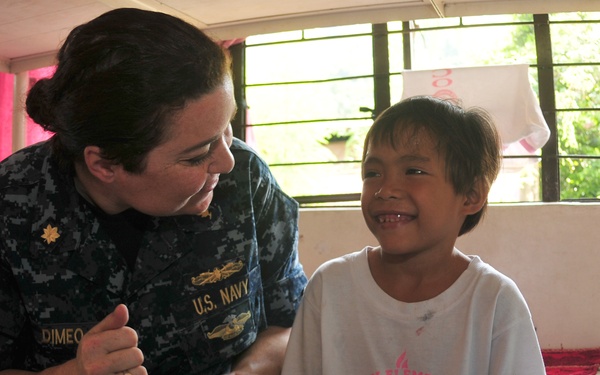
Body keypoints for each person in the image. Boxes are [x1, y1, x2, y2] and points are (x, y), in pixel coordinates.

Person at [0, 8, 307, 375]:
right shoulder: (12, 205)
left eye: (226, 129)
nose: (226, 162)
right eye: (197, 155)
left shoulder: (247, 178)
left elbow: (292, 322)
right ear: (105, 165)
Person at [281, 96, 546, 374]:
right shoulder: (330, 288)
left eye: (413, 171)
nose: (385, 189)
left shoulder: (494, 301)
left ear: (470, 195)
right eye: (372, 173)